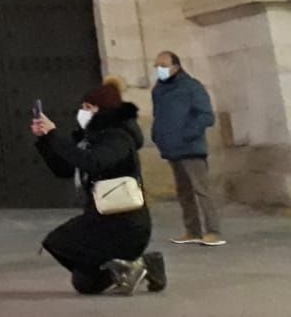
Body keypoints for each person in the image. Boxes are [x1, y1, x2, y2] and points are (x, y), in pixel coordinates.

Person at [32, 77, 165, 295]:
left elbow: (92, 162)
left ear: (102, 110)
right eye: (82, 107)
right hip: (100, 217)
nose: (83, 112)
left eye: (88, 108)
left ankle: (139, 264)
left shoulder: (118, 137)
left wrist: (55, 134)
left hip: (125, 222)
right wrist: (45, 140)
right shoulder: (89, 139)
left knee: (59, 241)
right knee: (85, 283)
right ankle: (137, 267)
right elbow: (63, 169)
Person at [150, 50, 224, 246]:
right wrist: (158, 135)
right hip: (172, 148)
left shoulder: (191, 86)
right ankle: (192, 230)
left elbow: (206, 115)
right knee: (184, 192)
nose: (159, 69)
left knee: (201, 189)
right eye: (157, 66)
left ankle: (213, 231)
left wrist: (187, 134)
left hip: (190, 147)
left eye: (163, 65)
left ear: (175, 66)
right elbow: (159, 115)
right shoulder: (158, 89)